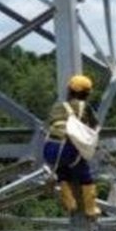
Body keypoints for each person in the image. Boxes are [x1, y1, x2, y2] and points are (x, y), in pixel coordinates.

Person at [43, 73, 101, 218]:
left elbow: (49, 123)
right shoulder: (85, 107)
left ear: (69, 90)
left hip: (50, 148)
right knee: (84, 174)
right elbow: (95, 126)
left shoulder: (57, 106)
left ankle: (70, 203)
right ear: (86, 94)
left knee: (62, 172)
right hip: (68, 149)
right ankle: (90, 209)